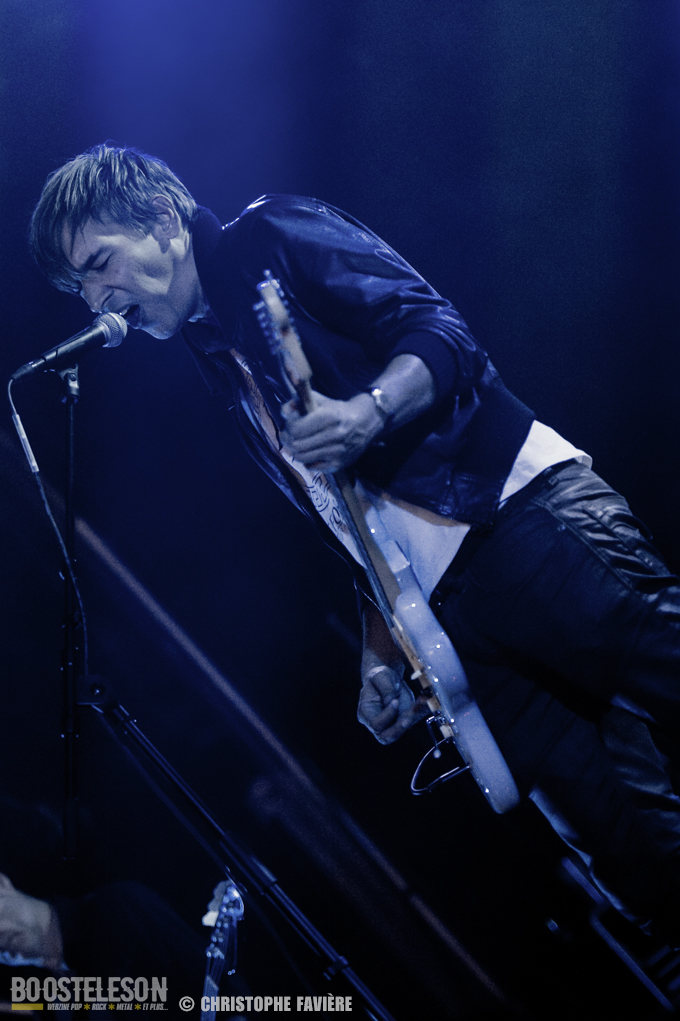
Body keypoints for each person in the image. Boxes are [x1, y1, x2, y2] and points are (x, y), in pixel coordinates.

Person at [27, 144, 680, 946]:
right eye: (81, 289)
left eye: (99, 265)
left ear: (163, 219)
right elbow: (348, 519)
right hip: (460, 622)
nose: (98, 300)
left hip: (524, 527)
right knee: (645, 877)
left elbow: (440, 330)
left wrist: (368, 411)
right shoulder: (216, 355)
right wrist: (380, 652)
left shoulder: (270, 235)